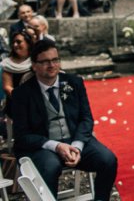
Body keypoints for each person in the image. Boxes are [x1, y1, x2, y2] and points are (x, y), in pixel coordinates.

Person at [12, 39, 117, 200]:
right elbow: (22, 136)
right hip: (43, 147)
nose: (52, 65)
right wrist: (56, 146)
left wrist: (77, 146)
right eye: (45, 61)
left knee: (108, 160)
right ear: (34, 65)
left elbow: (86, 119)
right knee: (51, 167)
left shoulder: (74, 83)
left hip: (75, 140)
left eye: (55, 60)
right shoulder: (22, 94)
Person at [2, 31, 34, 117]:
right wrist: (24, 100)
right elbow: (7, 87)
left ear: (28, 43)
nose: (15, 45)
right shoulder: (7, 64)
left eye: (19, 42)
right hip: (16, 106)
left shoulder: (36, 60)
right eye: (13, 42)